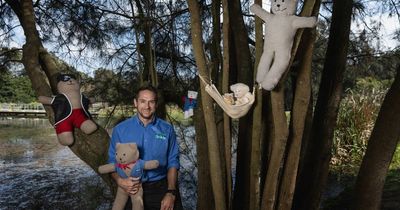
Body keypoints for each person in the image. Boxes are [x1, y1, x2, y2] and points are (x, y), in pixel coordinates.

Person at [108, 85, 182, 210]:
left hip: (161, 187)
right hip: (131, 188)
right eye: (142, 101)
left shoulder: (167, 129)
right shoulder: (120, 130)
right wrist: (120, 181)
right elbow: (112, 162)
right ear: (135, 103)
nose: (147, 106)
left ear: (156, 104)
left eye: (151, 102)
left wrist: (171, 192)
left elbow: (173, 162)